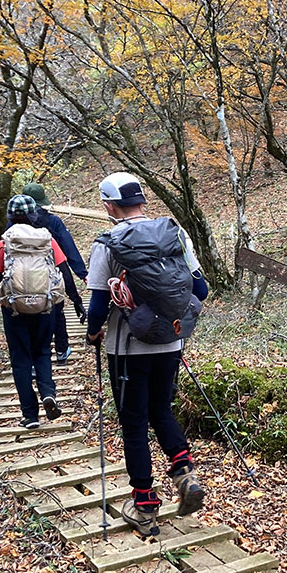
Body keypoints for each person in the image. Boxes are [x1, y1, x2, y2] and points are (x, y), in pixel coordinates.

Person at [84, 172, 207, 535]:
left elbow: (96, 305)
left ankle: (144, 505)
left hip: (126, 349)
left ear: (108, 205)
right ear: (142, 201)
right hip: (171, 341)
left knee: (134, 423)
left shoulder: (108, 242)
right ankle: (184, 473)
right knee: (161, 409)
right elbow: (199, 288)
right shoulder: (174, 233)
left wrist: (93, 333)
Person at [0, 195, 87, 429]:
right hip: (45, 308)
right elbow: (63, 272)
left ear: (10, 216)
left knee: (20, 361)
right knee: (42, 352)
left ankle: (30, 415)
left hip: (14, 310)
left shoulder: (3, 243)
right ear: (34, 215)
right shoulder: (47, 241)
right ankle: (48, 393)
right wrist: (77, 301)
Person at [21, 182, 88, 364]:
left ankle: (36, 358)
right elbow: (68, 249)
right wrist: (82, 274)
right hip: (51, 276)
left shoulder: (13, 228)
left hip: (23, 282)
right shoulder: (53, 222)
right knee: (56, 310)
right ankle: (61, 350)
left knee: (29, 316)